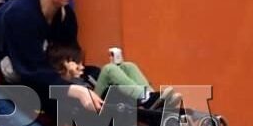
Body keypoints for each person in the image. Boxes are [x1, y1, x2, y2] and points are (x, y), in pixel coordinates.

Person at [46, 43, 181, 110]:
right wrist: (67, 72)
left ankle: (152, 100)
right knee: (108, 69)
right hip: (88, 107)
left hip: (103, 96)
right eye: (76, 63)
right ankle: (148, 99)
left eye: (82, 63)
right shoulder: (61, 84)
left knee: (128, 66)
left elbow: (103, 82)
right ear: (62, 65)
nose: (81, 67)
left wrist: (118, 69)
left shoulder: (87, 74)